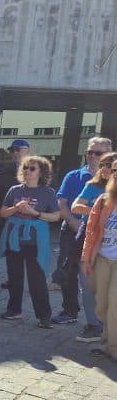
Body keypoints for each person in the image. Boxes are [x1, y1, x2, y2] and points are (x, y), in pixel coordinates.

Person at [53, 137, 112, 328]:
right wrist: (72, 221)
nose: (93, 156)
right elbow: (62, 202)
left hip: (104, 235)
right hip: (73, 231)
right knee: (67, 271)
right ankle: (70, 311)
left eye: (98, 153)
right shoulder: (74, 176)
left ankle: (101, 320)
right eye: (90, 152)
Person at [0, 155, 61, 329]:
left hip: (36, 241)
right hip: (15, 239)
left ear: (41, 172)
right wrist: (16, 208)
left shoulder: (48, 192)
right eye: (25, 167)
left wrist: (35, 213)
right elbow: (3, 212)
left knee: (37, 280)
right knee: (15, 277)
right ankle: (14, 310)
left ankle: (44, 316)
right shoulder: (15, 190)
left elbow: (56, 216)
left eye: (32, 168)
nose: (27, 171)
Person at [68, 150, 117, 344]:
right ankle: (94, 325)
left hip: (110, 246)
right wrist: (99, 212)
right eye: (103, 164)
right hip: (89, 239)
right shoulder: (94, 187)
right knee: (88, 285)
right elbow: (75, 207)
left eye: (110, 165)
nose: (105, 168)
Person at [79, 171, 117, 360]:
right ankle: (106, 342)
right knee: (102, 304)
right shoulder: (103, 200)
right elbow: (91, 232)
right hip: (102, 258)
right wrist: (86, 259)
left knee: (115, 303)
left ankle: (113, 346)